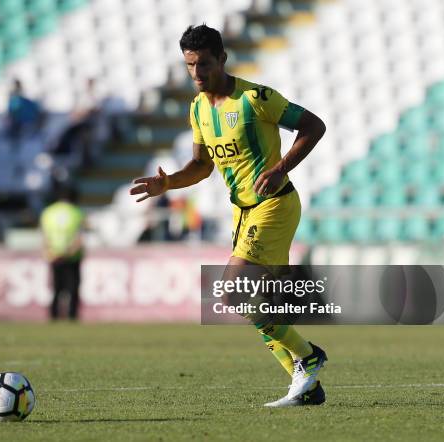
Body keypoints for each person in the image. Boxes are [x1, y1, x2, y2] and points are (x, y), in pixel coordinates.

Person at [130, 25, 328, 407]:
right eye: (190, 66)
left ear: (222, 59)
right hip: (243, 213)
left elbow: (313, 126)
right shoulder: (198, 108)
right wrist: (168, 183)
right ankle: (306, 386)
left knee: (234, 290)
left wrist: (282, 166)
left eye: (204, 64)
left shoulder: (256, 98)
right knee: (256, 303)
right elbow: (201, 166)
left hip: (275, 205)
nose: (197, 73)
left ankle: (308, 356)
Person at [40, 185, 85, 320]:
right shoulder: (76, 212)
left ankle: (53, 316)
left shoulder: (48, 212)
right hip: (72, 256)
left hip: (54, 255)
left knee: (56, 288)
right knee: (73, 288)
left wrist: (50, 252)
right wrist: (68, 251)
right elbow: (79, 237)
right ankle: (72, 316)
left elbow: (44, 236)